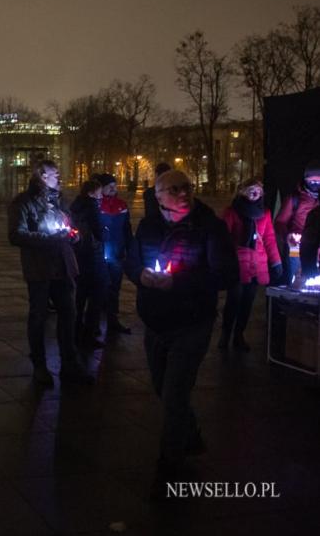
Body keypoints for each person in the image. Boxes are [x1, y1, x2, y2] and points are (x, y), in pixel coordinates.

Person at [124, 170, 238, 499]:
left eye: (187, 187)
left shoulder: (209, 227)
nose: (184, 193)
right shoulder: (148, 226)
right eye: (174, 189)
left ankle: (170, 464)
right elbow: (131, 262)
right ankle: (190, 436)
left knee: (175, 393)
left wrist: (180, 282)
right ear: (158, 195)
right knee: (163, 388)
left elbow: (227, 274)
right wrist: (141, 277)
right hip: (156, 322)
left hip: (192, 322)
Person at [8, 159, 95, 387]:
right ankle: (39, 365)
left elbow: (71, 226)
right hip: (40, 268)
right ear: (41, 176)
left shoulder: (60, 201)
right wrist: (50, 239)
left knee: (69, 314)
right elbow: (16, 235)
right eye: (55, 173)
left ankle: (69, 363)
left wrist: (74, 235)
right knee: (38, 316)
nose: (60, 177)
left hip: (64, 266)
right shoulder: (23, 202)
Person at [220, 178, 282, 351]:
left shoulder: (265, 213)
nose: (255, 193)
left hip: (257, 265)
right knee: (234, 300)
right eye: (251, 189)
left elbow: (269, 240)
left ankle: (239, 334)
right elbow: (222, 238)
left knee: (248, 302)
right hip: (237, 264)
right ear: (242, 191)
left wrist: (276, 262)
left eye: (258, 190)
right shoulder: (232, 212)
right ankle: (226, 334)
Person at [69, 179, 108, 350]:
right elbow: (99, 231)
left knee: (80, 295)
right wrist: (105, 233)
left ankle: (75, 331)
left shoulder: (75, 206)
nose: (102, 196)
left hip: (79, 253)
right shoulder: (92, 207)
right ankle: (89, 334)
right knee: (97, 294)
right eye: (100, 192)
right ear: (92, 193)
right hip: (93, 255)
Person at [96, 173, 133, 334]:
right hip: (100, 255)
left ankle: (113, 320)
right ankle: (94, 324)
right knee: (98, 289)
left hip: (117, 253)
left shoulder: (122, 205)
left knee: (114, 288)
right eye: (109, 185)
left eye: (114, 185)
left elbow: (127, 229)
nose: (113, 188)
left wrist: (130, 249)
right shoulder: (96, 205)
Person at [274, 160, 320, 283]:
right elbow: (280, 223)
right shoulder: (294, 199)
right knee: (296, 285)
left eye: (319, 181)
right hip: (297, 249)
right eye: (312, 181)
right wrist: (288, 236)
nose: (315, 184)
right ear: (305, 180)